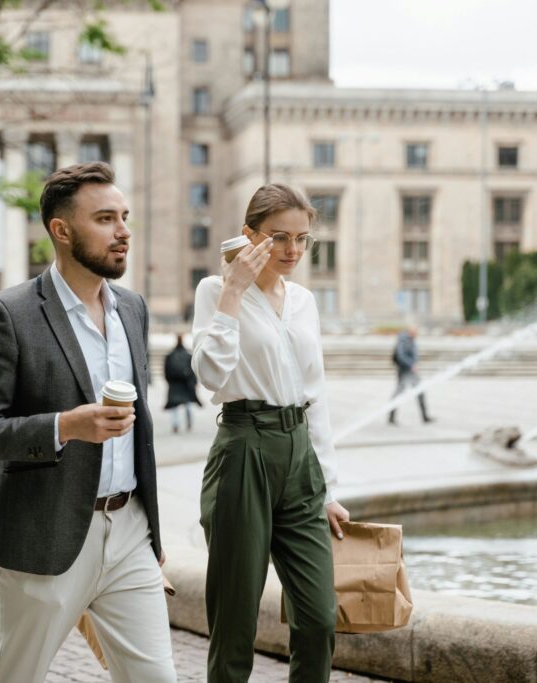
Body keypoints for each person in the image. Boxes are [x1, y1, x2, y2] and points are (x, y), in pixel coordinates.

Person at [0, 162, 176, 683]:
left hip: (129, 533)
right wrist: (65, 427)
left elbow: (139, 436)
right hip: (45, 534)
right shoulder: (8, 313)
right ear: (62, 230)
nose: (123, 231)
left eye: (124, 217)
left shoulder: (133, 309)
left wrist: (153, 535)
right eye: (105, 219)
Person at [191, 183, 349, 683]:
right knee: (235, 619)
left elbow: (315, 394)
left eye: (303, 239)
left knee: (320, 617)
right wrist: (234, 291)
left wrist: (327, 488)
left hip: (298, 451)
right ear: (248, 235)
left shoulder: (303, 300)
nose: (293, 251)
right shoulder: (215, 292)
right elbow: (210, 375)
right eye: (279, 237)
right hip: (244, 447)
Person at [387, 325, 434, 425]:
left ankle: (425, 416)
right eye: (416, 332)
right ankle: (391, 416)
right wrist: (411, 364)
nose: (417, 334)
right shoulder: (403, 340)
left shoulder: (411, 340)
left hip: (411, 371)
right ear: (410, 332)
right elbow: (401, 355)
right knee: (399, 392)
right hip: (404, 370)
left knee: (419, 390)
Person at [164, 333, 201, 433]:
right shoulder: (188, 355)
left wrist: (169, 381)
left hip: (174, 384)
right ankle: (189, 423)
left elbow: (166, 371)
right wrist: (194, 382)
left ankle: (175, 425)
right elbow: (193, 370)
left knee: (174, 406)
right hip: (186, 383)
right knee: (188, 405)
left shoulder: (170, 355)